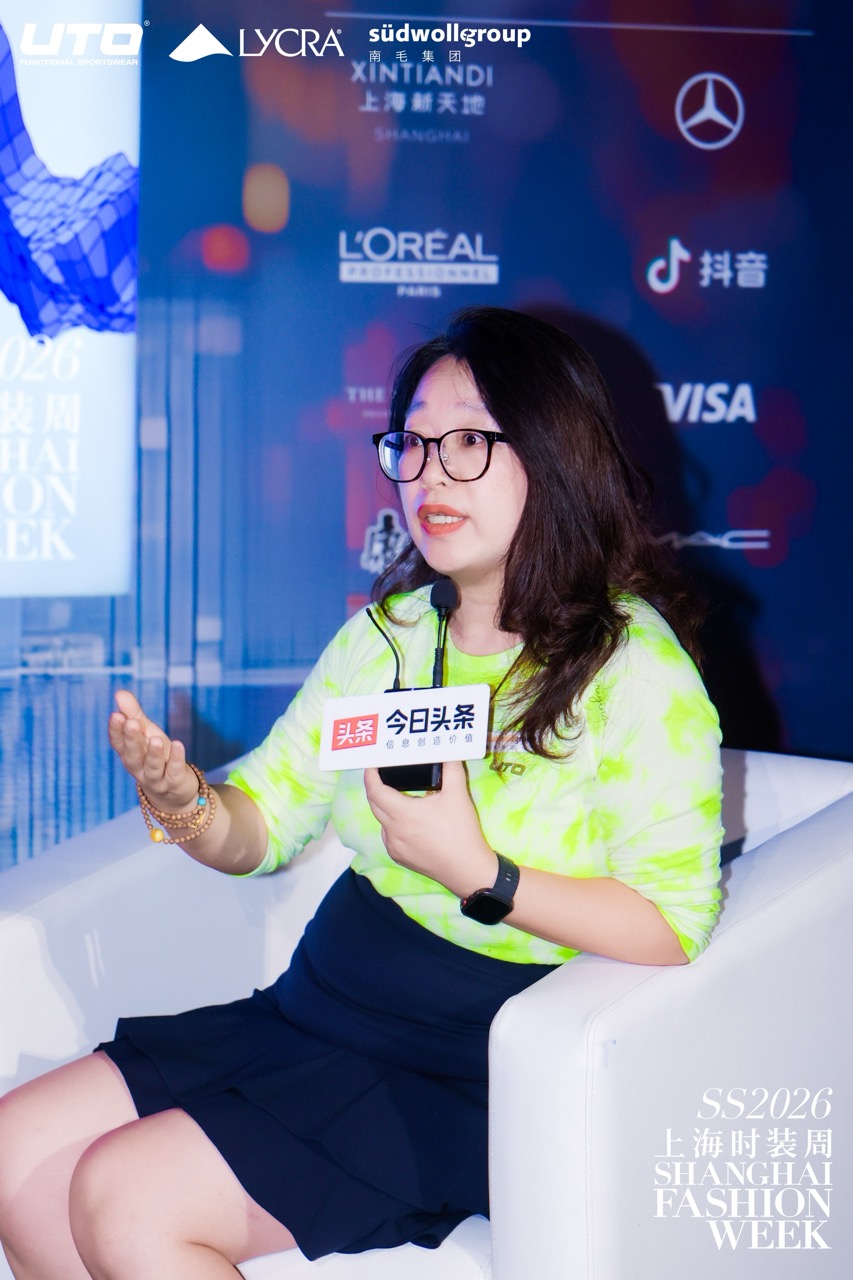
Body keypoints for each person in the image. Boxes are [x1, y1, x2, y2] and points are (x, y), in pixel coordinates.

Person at [0, 306, 723, 1279]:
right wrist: (187, 803)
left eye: (467, 440)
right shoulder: (387, 636)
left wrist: (483, 872)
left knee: (126, 1196)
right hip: (318, 1006)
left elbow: (673, 923)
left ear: (552, 452)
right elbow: (260, 824)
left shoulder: (632, 667)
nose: (428, 473)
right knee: (17, 1157)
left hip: (464, 1061)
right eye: (413, 444)